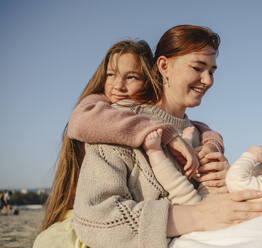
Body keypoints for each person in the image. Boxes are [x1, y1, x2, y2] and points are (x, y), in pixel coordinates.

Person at [71, 25, 262, 248]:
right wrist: (198, 216)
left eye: (212, 71)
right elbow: (96, 219)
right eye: (198, 68)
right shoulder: (116, 122)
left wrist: (226, 181)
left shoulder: (201, 136)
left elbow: (220, 210)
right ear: (164, 66)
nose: (207, 80)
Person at [33, 39, 229, 247]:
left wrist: (212, 142)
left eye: (132, 77)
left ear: (148, 80)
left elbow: (195, 126)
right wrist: (165, 134)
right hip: (85, 223)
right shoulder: (101, 110)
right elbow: (79, 122)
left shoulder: (173, 122)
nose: (118, 85)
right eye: (111, 75)